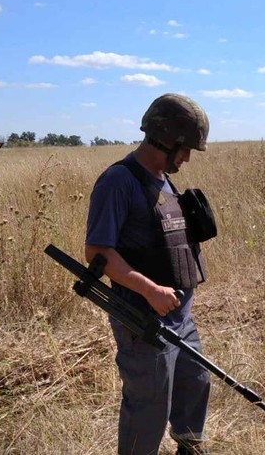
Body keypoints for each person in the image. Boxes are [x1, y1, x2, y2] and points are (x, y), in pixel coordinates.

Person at [85, 93, 212, 455]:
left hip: (179, 317)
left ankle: (190, 449)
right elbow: (97, 252)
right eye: (185, 148)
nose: (187, 158)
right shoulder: (118, 181)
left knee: (194, 383)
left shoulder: (164, 180)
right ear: (165, 138)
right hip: (142, 318)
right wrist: (151, 290)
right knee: (149, 405)